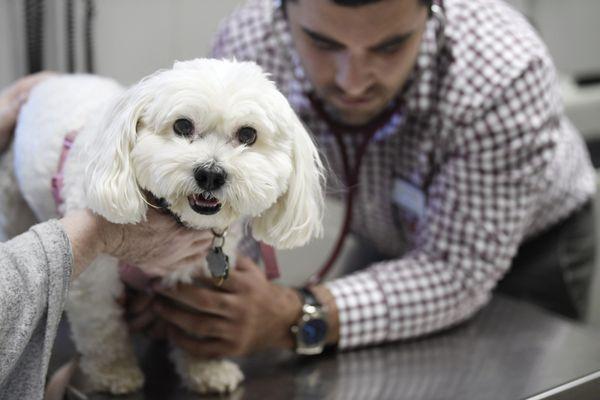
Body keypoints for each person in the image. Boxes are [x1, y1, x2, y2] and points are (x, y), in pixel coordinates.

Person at [123, 0, 597, 358]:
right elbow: (232, 211)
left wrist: (295, 313)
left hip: (535, 245)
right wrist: (197, 290)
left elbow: (457, 269)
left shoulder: (504, 71)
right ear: (283, 13)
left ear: (431, 14)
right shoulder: (251, 42)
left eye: (390, 46)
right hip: (384, 226)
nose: (352, 81)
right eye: (323, 43)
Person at [0, 75, 213, 399]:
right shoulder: (97, 183)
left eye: (245, 137)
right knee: (87, 285)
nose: (215, 165)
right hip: (29, 140)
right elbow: (85, 291)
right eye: (184, 128)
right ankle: (108, 362)